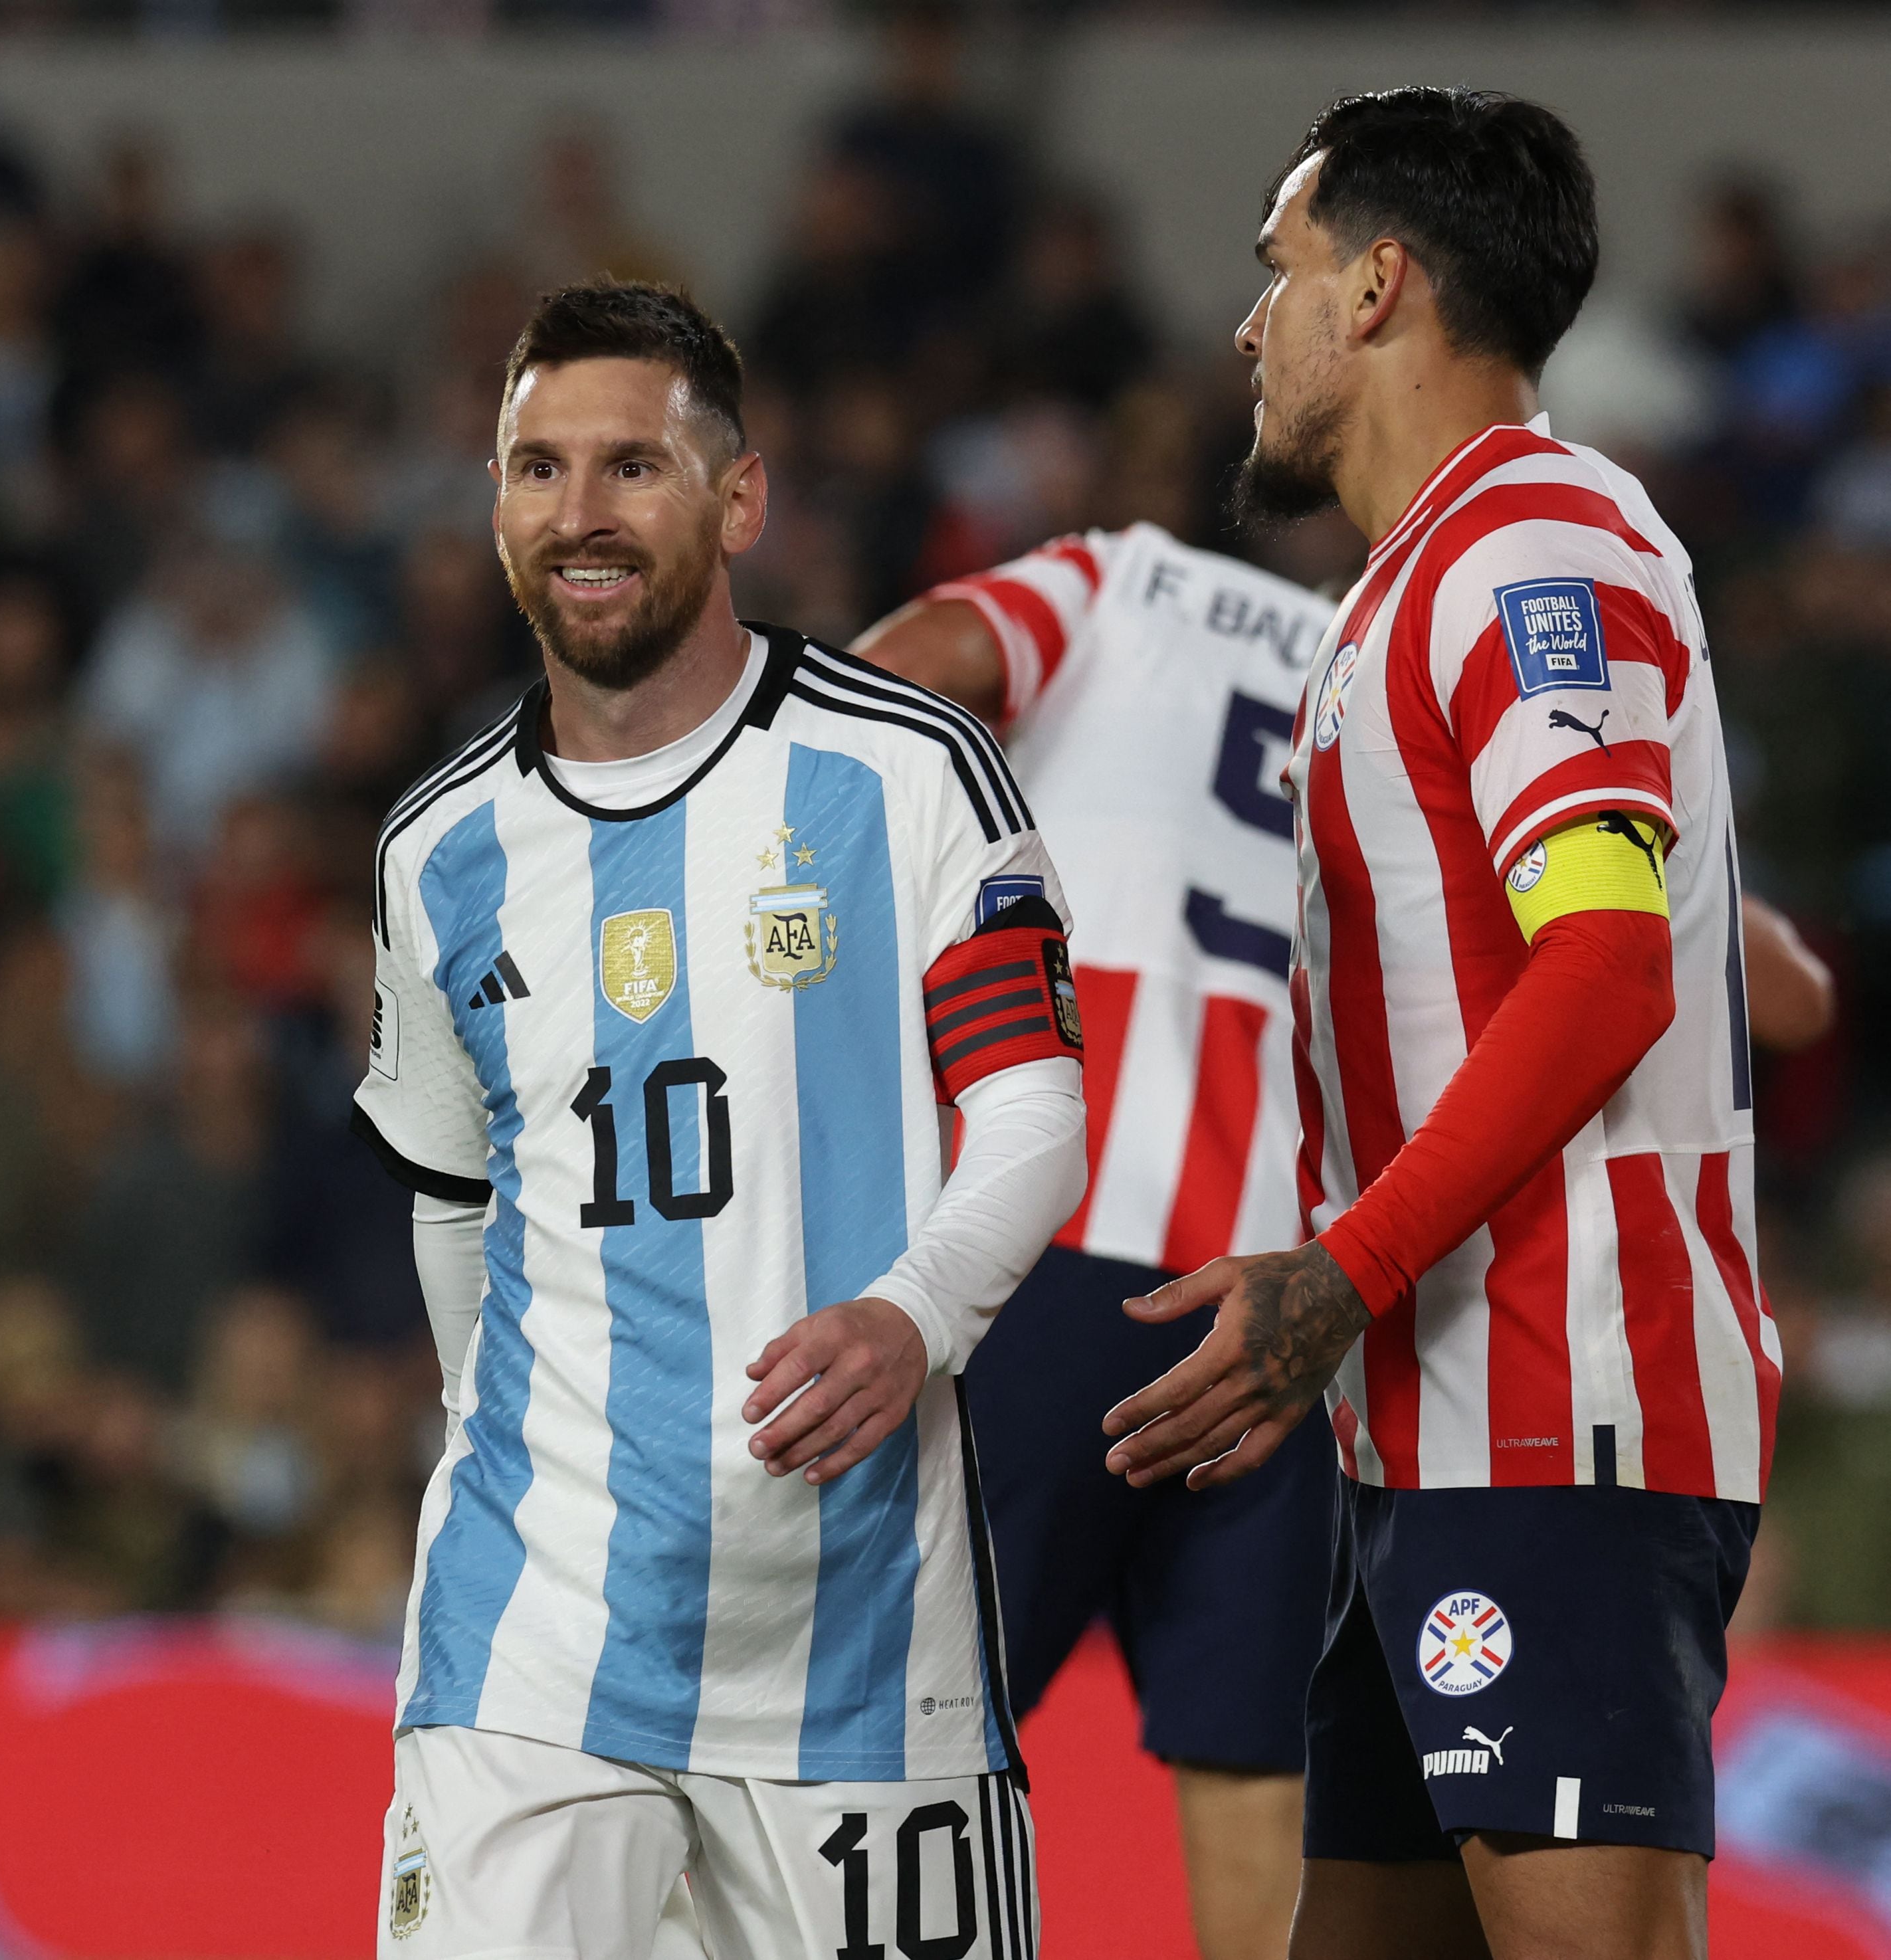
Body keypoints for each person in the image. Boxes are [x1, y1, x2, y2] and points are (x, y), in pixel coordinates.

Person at [1100, 90, 1777, 1960]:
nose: (1252, 327)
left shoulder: (1528, 552)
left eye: (1282, 273)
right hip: (1429, 1427)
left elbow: (1608, 967)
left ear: (1381, 283)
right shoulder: (1403, 588)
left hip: (1565, 1416)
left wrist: (1344, 1262)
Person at [353, 279, 1085, 1959]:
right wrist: (509, 1430)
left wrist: (917, 1313)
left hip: (857, 1643)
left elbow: (1033, 1105)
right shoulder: (435, 852)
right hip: (531, 1630)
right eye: (534, 470)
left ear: (738, 498)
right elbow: (452, 1195)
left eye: (630, 467)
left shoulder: (907, 773)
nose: (577, 515)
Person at [853, 524, 1342, 1960]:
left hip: (1052, 1245)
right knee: (1253, 1758)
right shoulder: (1402, 673)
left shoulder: (1123, 579)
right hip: (1286, 1289)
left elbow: (913, 669)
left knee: (909, 1716)